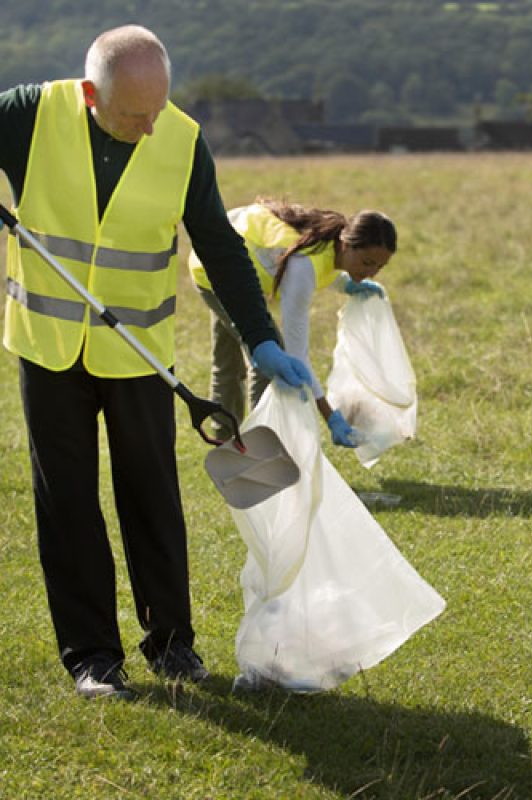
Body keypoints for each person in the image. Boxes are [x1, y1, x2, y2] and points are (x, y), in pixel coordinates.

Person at [0, 25, 312, 699]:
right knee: (68, 503)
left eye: (157, 111)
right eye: (133, 114)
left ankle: (172, 645)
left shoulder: (180, 138)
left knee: (152, 497)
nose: (148, 128)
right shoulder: (30, 113)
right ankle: (92, 658)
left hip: (139, 352)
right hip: (48, 348)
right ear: (91, 93)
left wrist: (262, 339)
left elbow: (222, 249)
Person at [188, 198, 397, 446]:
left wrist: (346, 283)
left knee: (229, 363)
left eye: (379, 267)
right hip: (213, 270)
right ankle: (258, 446)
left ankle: (227, 443)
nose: (371, 272)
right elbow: (297, 356)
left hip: (221, 255)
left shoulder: (328, 242)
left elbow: (320, 268)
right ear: (346, 244)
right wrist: (331, 417)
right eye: (367, 263)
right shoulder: (303, 265)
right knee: (267, 358)